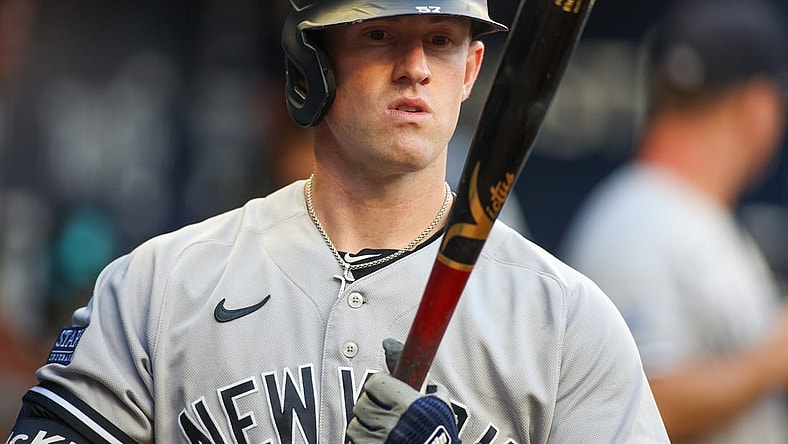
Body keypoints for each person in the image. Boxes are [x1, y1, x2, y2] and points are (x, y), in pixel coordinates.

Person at [8, 1, 669, 442]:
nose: (414, 68)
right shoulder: (160, 287)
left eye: (440, 42)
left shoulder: (563, 320)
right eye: (380, 35)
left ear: (471, 69)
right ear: (310, 64)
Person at [561, 0, 788, 442]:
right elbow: (635, 404)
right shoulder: (638, 221)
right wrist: (771, 362)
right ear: (758, 109)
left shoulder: (689, 215)